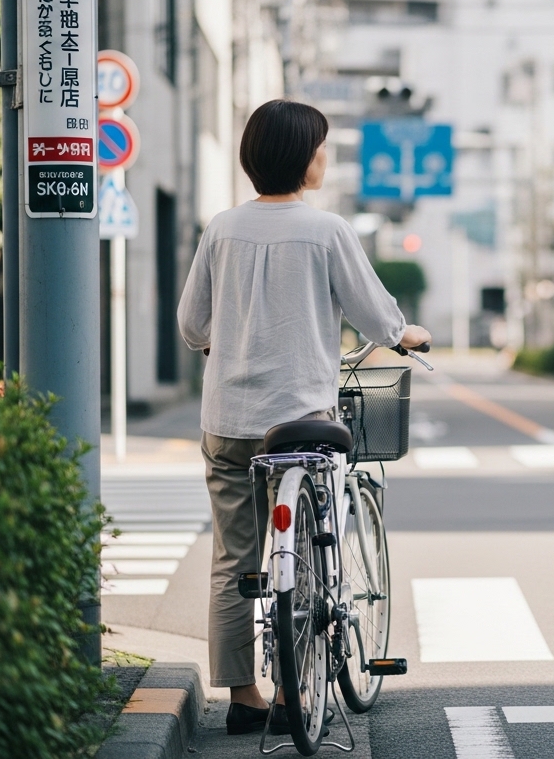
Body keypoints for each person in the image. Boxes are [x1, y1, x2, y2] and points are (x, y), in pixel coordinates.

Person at [177, 98, 431, 736]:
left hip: (227, 422)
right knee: (310, 554)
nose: (325, 156)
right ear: (301, 156)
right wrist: (408, 336)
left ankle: (243, 695)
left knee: (235, 559)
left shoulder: (221, 228)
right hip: (300, 422)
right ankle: (299, 690)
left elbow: (191, 326)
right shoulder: (328, 231)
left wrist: (221, 342)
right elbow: (377, 319)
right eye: (320, 146)